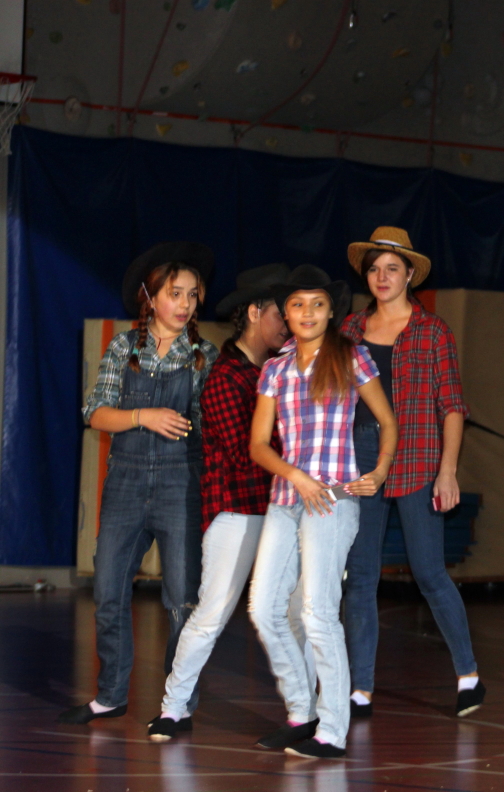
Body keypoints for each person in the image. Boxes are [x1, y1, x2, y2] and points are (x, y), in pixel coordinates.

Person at [146, 264, 315, 743]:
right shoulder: (226, 377)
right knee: (212, 613)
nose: (289, 324)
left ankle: (306, 713)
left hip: (283, 508)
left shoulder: (281, 371)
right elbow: (248, 453)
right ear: (255, 313)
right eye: (281, 314)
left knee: (297, 615)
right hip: (240, 511)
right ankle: (173, 708)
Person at [61, 242, 219, 725]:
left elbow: (211, 428)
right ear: (150, 298)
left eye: (192, 294)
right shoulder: (123, 347)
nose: (185, 303)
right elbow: (94, 413)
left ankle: (178, 705)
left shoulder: (204, 355)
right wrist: (142, 415)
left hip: (180, 485)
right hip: (126, 486)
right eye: (175, 293)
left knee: (182, 602)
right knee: (108, 593)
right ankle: (111, 694)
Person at [247, 265, 397, 759]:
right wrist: (295, 476)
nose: (307, 312)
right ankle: (303, 711)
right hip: (288, 498)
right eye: (297, 304)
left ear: (332, 311)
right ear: (285, 314)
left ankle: (333, 729)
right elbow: (258, 445)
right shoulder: (275, 369)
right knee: (263, 609)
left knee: (317, 613)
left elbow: (387, 421)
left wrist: (379, 471)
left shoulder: (351, 357)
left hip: (333, 499)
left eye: (317, 304)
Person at [340, 227, 482, 718]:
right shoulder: (350, 330)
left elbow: (452, 406)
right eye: (374, 269)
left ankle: (468, 675)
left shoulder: (432, 331)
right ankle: (360, 688)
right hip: (360, 456)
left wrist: (448, 471)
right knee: (360, 575)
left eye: (392, 269)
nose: (382, 277)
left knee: (429, 571)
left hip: (418, 455)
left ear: (409, 276)